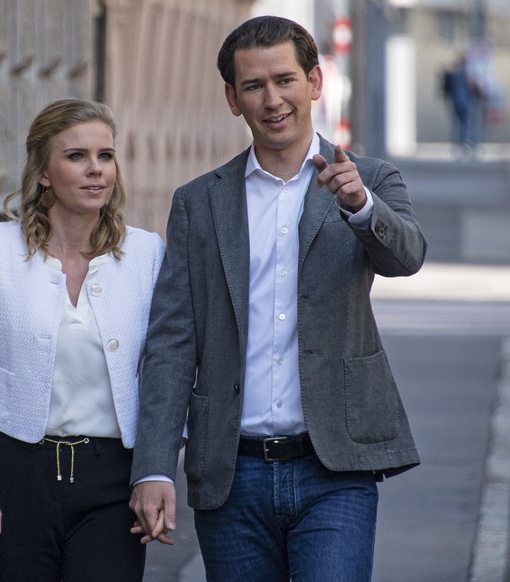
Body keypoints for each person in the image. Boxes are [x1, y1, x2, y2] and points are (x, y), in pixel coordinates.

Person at [129, 15, 427, 582]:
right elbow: (171, 341)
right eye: (254, 86)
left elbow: (407, 256)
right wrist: (154, 467)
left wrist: (362, 208)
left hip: (334, 467)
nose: (273, 100)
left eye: (285, 80)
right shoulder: (200, 203)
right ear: (232, 99)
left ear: (315, 82)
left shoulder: (368, 179)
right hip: (232, 473)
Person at [0, 98, 164, 581]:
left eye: (105, 156)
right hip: (15, 474)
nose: (96, 170)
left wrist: (156, 470)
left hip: (112, 479)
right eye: (76, 156)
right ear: (44, 172)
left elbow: (167, 369)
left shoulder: (146, 254)